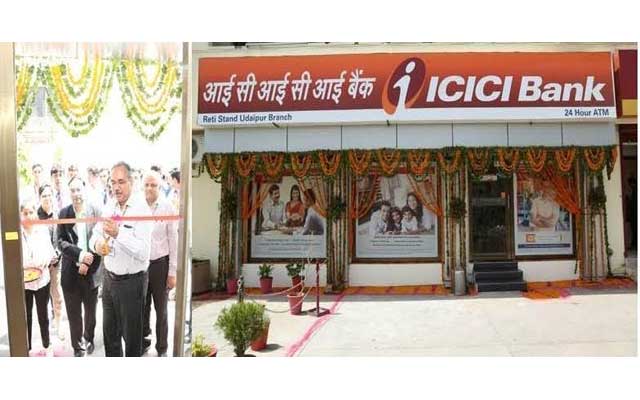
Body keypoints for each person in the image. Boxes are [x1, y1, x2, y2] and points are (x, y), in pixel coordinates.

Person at [89, 161, 153, 357]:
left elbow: (143, 252)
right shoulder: (110, 205)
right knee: (110, 338)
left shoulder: (142, 210)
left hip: (132, 283)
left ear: (131, 182)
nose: (116, 187)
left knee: (132, 341)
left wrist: (118, 234)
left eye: (121, 182)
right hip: (109, 281)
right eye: (113, 182)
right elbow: (95, 235)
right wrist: (97, 245)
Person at [56, 177, 102, 357]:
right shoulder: (63, 213)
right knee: (74, 314)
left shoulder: (95, 211)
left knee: (90, 313)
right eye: (72, 191)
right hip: (71, 273)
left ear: (85, 190)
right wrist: (80, 256)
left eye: (78, 190)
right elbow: (60, 242)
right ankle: (77, 346)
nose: (76, 194)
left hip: (92, 272)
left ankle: (88, 338)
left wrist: (88, 264)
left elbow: (101, 241)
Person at [142, 171, 178, 357]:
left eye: (153, 185)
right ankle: (143, 342)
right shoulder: (138, 206)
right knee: (142, 307)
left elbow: (173, 241)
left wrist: (172, 272)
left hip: (160, 265)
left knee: (161, 309)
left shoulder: (167, 207)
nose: (149, 188)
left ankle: (162, 347)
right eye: (147, 184)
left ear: (160, 186)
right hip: (140, 265)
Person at [21, 199, 58, 355]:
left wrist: (43, 262)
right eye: (25, 213)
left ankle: (46, 344)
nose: (29, 216)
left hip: (42, 279)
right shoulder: (16, 232)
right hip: (24, 282)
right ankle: (27, 347)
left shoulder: (42, 230)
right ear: (20, 215)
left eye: (31, 212)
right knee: (26, 316)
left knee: (43, 315)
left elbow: (50, 252)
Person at [36, 184, 64, 340]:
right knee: (42, 299)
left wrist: (57, 254)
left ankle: (59, 325)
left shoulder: (58, 215)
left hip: (55, 263)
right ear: (39, 198)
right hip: (41, 265)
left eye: (49, 195)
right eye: (44, 196)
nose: (47, 198)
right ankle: (44, 331)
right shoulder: (35, 216)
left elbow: (61, 238)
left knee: (57, 296)